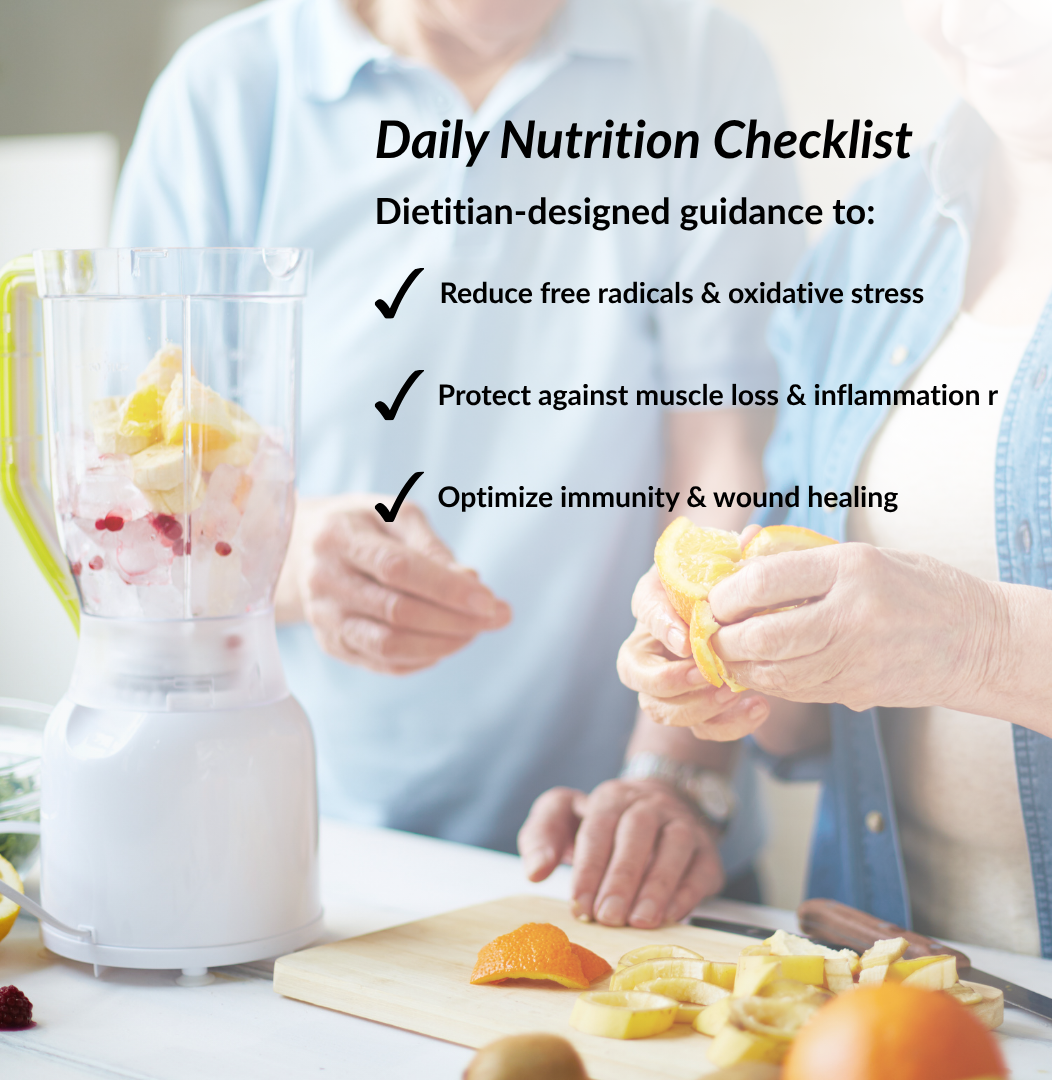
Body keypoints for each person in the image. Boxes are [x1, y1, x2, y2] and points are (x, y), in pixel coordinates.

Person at [111, 0, 801, 926]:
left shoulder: (704, 63)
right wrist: (286, 553)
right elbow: (132, 501)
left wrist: (674, 775)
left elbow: (723, 453)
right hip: (305, 849)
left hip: (630, 850)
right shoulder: (225, 98)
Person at [617, 0, 1052, 955]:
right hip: (886, 1003)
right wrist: (732, 663)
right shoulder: (880, 237)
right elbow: (814, 732)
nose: (968, 18)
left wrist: (979, 643)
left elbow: (944, 642)